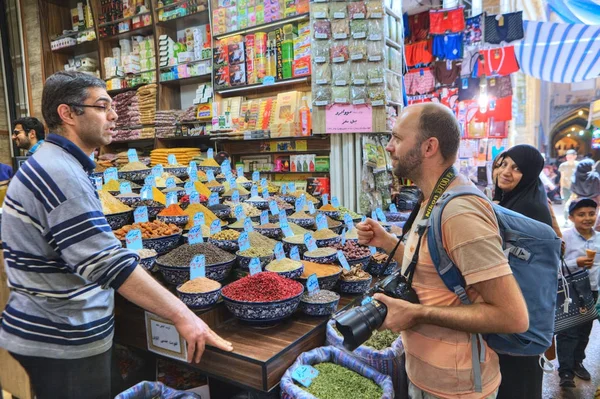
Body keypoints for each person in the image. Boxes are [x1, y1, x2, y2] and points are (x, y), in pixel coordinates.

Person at [0, 71, 233, 398]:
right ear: (68, 114)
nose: (114, 115)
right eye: (102, 106)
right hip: (61, 337)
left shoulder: (58, 163)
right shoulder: (59, 173)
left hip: (54, 327)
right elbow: (108, 263)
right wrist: (184, 315)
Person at [357, 103, 529, 399]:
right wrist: (387, 241)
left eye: (397, 138)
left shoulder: (459, 212)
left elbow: (513, 316)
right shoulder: (433, 198)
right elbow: (434, 268)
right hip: (429, 381)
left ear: (428, 147)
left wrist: (416, 313)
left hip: (458, 390)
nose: (388, 147)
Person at [491, 145, 553, 398]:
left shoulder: (529, 211)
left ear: (529, 174)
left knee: (517, 384)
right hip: (514, 312)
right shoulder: (512, 200)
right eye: (503, 164)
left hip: (522, 316)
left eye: (517, 169)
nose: (506, 172)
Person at [558, 198, 600, 388]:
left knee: (584, 331)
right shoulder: (564, 238)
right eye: (581, 214)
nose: (587, 218)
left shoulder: (599, 238)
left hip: (592, 291)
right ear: (571, 217)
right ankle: (565, 371)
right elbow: (556, 268)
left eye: (591, 213)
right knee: (568, 331)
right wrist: (578, 263)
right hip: (571, 291)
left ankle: (577, 362)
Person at [559, 149, 579, 226]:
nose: (568, 158)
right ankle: (566, 220)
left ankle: (575, 220)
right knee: (567, 203)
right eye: (567, 156)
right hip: (566, 187)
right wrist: (561, 188)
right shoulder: (563, 165)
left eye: (570, 156)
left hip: (575, 188)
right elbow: (562, 177)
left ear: (575, 156)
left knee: (575, 204)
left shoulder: (578, 165)